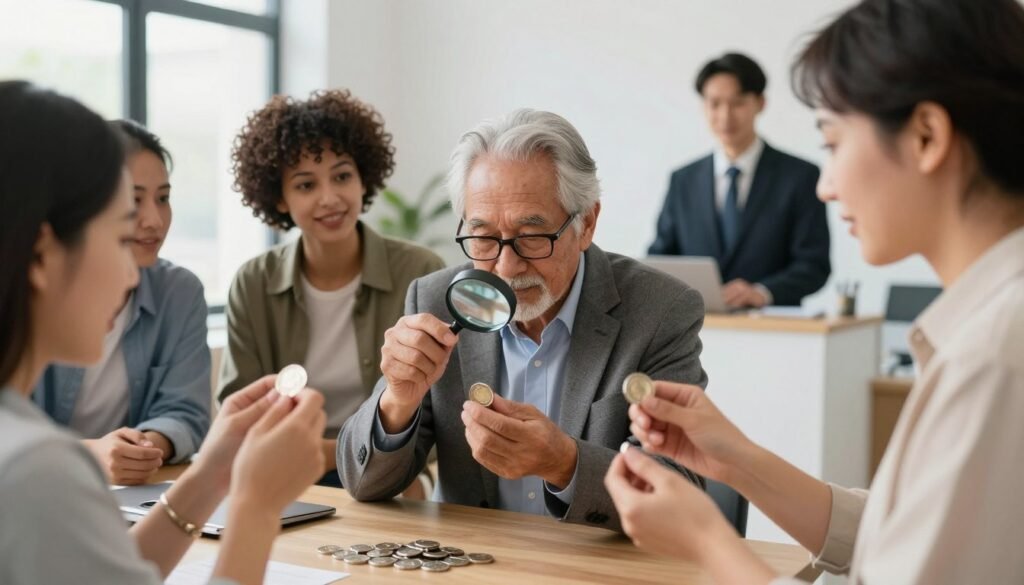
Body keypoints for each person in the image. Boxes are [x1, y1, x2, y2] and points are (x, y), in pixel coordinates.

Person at [606, 0, 1024, 582]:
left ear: (926, 135)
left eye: (832, 143)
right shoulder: (990, 331)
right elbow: (898, 533)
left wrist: (707, 544)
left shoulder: (993, 357)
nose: (825, 187)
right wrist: (741, 461)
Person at [0, 81, 326, 585]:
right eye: (117, 234)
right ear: (43, 255)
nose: (133, 274)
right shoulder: (36, 472)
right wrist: (256, 504)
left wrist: (210, 475)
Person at [338, 109, 706, 533]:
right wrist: (397, 401)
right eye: (483, 237)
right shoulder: (436, 299)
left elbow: (681, 494)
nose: (506, 267)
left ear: (586, 223)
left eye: (532, 236)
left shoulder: (661, 310)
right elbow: (363, 483)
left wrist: (565, 464)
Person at [219, 90, 445, 487]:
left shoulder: (421, 272)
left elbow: (437, 413)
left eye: (342, 176)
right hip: (283, 475)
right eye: (306, 185)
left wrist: (332, 452)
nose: (330, 198)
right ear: (280, 198)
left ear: (363, 179)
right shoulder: (252, 283)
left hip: (389, 472)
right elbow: (241, 418)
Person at [32, 119, 210, 485]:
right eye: (133, 200)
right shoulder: (31, 291)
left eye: (163, 198)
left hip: (134, 491)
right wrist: (89, 454)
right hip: (38, 486)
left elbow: (187, 412)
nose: (154, 220)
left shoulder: (180, 291)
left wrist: (140, 448)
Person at [648, 52, 830, 308]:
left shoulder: (800, 176)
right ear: (703, 106)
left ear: (760, 103)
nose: (725, 116)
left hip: (777, 330)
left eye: (737, 103)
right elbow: (660, 258)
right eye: (715, 104)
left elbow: (814, 264)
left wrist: (762, 292)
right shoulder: (683, 181)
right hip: (695, 328)